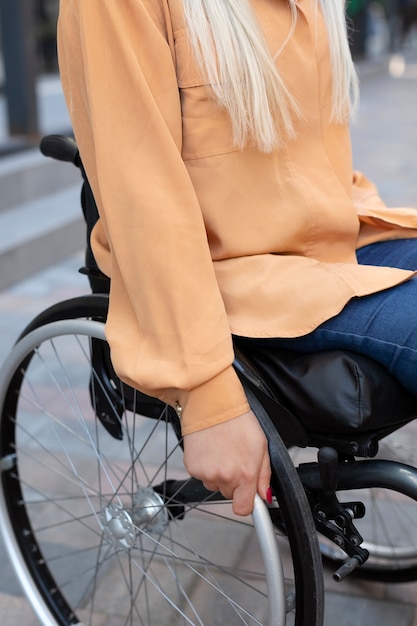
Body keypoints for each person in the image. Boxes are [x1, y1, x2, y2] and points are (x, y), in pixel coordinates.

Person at [57, 0, 417, 517]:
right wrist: (207, 393)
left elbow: (319, 160)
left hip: (332, 242)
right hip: (231, 276)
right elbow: (145, 203)